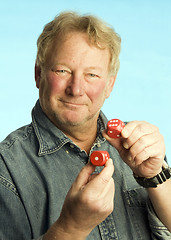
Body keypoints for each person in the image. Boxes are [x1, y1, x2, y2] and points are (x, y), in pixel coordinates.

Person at [0, 11, 171, 240]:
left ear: (109, 85)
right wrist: (70, 228)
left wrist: (155, 177)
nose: (76, 89)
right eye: (63, 71)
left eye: (91, 74)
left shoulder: (139, 147)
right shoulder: (6, 168)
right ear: (38, 74)